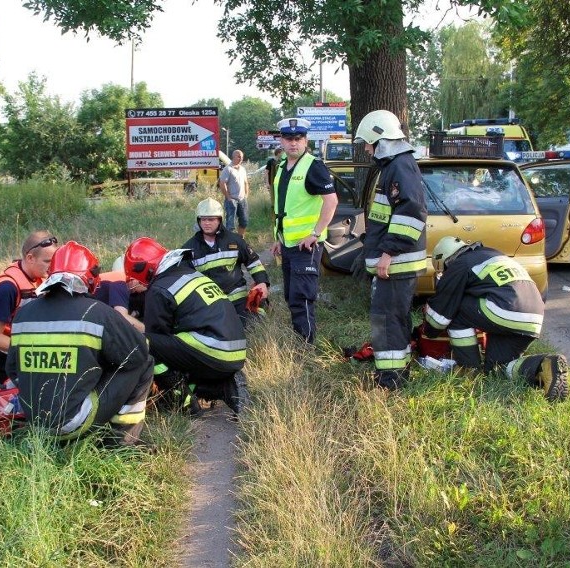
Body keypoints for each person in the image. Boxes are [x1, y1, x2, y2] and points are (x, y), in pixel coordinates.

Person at [6, 241, 154, 445]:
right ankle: (122, 441)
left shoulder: (23, 314)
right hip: (75, 422)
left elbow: (13, 370)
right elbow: (137, 353)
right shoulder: (97, 312)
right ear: (90, 277)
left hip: (37, 422)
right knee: (145, 362)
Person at [422, 237, 569, 401]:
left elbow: (439, 319)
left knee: (455, 310)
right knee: (497, 370)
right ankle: (545, 365)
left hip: (506, 309)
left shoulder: (459, 264)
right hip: (533, 318)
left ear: (445, 261)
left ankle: (469, 369)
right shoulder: (492, 254)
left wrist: (427, 329)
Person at [123, 237, 249, 414]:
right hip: (234, 348)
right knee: (174, 347)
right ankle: (221, 388)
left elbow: (157, 337)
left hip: (213, 349)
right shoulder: (188, 272)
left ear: (143, 270)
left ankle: (183, 400)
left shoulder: (159, 289)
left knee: (143, 343)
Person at [353, 110, 427, 390]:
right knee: (393, 318)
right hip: (397, 262)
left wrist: (388, 254)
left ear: (380, 138)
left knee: (388, 320)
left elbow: (412, 212)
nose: (366, 148)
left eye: (368, 142)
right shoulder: (396, 165)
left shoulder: (399, 165)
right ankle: (395, 373)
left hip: (397, 262)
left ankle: (391, 380)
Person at [269, 117, 338, 344]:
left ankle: (305, 347)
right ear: (281, 140)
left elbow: (332, 202)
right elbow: (283, 206)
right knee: (291, 296)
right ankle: (300, 340)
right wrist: (278, 237)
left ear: (306, 140)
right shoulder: (281, 166)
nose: (293, 143)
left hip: (306, 245)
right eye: (288, 139)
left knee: (302, 298)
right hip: (289, 244)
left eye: (298, 139)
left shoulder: (313, 166)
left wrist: (316, 234)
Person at [0, 231, 58, 384]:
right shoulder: (7, 288)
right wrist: (35, 351)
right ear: (30, 258)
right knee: (28, 394)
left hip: (16, 343)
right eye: (47, 261)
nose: (52, 267)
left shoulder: (38, 277)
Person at [182, 198, 270, 325]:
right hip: (210, 302)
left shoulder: (235, 241)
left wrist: (262, 282)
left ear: (219, 220)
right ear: (198, 220)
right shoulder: (189, 249)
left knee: (248, 326)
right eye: (203, 219)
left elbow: (253, 263)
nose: (207, 223)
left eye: (211, 219)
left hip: (237, 299)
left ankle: (258, 308)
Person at [219, 149, 251, 237]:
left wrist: (246, 195)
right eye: (239, 156)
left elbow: (246, 183)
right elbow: (222, 183)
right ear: (233, 157)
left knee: (244, 221)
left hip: (242, 200)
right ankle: (230, 243)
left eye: (242, 157)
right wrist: (228, 197)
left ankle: (240, 240)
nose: (241, 158)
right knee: (230, 224)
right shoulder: (228, 169)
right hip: (231, 200)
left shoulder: (243, 169)